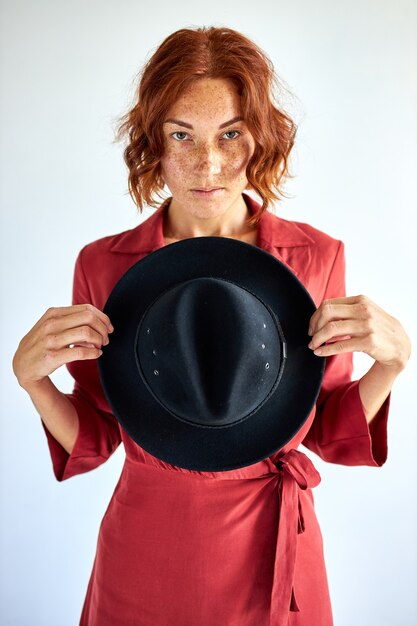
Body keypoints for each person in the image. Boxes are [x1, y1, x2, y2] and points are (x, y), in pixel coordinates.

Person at [12, 26, 411, 626]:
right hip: (146, 547)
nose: (209, 164)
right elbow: (97, 437)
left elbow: (328, 430)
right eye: (182, 136)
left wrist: (392, 363)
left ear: (261, 138)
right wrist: (33, 381)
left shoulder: (314, 258)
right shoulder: (105, 265)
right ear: (154, 141)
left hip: (272, 546)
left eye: (231, 135)